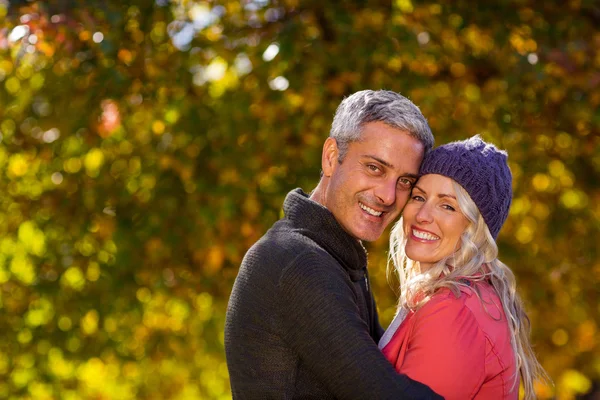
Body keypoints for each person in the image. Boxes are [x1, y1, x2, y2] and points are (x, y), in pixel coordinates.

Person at [225, 90, 441, 399]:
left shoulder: (337, 258)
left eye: (405, 181)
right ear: (330, 157)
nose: (388, 195)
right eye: (374, 168)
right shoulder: (298, 261)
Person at [379, 136, 548, 399]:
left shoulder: (454, 310)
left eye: (447, 205)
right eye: (418, 196)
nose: (422, 215)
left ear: (476, 229)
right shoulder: (462, 297)